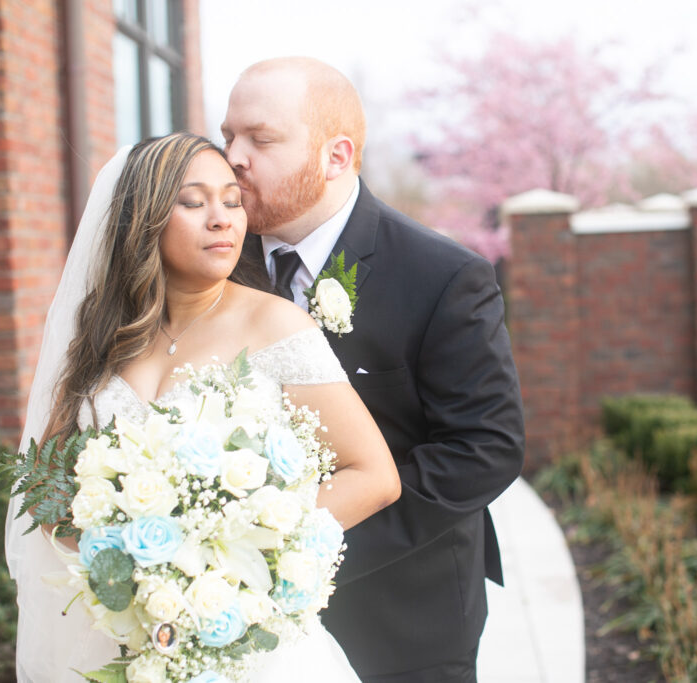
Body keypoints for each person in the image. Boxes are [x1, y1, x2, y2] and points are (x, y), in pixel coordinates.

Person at [4, 132, 401, 682]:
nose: (223, 219)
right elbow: (44, 484)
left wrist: (241, 553)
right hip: (120, 638)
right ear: (141, 220)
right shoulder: (101, 335)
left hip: (243, 639)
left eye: (232, 201)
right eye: (193, 203)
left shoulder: (276, 325)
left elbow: (374, 475)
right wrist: (126, 562)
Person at [221, 57, 526, 682]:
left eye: (261, 138)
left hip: (405, 609)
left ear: (337, 156)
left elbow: (484, 448)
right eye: (227, 136)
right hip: (232, 614)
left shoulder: (443, 277)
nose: (234, 156)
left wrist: (297, 548)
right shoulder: (212, 266)